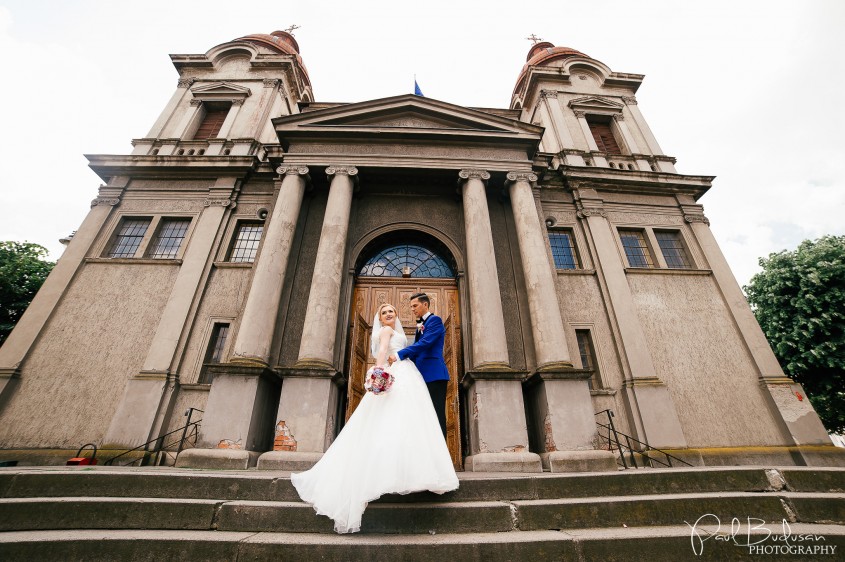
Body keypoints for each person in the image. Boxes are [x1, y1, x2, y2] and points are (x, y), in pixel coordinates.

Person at [290, 303, 459, 534]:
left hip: (407, 374)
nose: (389, 314)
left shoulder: (401, 331)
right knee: (395, 422)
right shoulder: (386, 332)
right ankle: (399, 472)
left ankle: (404, 469)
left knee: (403, 423)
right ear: (379, 318)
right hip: (396, 374)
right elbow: (381, 353)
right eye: (384, 312)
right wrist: (380, 373)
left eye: (391, 311)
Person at [389, 292, 449, 437]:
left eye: (415, 305)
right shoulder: (420, 325)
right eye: (411, 306)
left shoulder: (435, 320)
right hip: (421, 376)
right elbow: (416, 351)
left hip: (434, 375)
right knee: (425, 416)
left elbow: (425, 343)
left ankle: (442, 457)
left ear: (425, 304)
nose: (412, 309)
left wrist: (399, 355)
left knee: (437, 413)